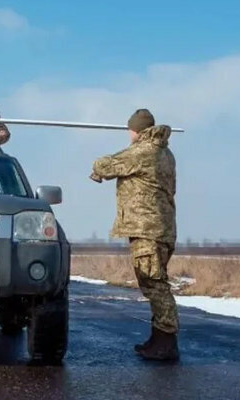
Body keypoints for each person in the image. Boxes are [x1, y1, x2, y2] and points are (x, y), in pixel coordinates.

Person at [90, 109, 179, 361]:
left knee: (154, 283)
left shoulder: (144, 151)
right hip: (160, 227)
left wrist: (97, 170)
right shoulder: (164, 152)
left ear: (136, 130)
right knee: (154, 281)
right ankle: (159, 338)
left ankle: (166, 342)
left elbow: (106, 165)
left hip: (147, 229)